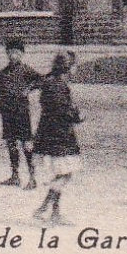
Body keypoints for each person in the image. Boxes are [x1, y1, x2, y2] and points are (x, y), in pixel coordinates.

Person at [31, 52, 82, 226]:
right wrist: (77, 116)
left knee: (62, 173)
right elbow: (62, 111)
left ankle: (55, 212)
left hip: (49, 134)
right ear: (68, 67)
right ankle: (44, 207)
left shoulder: (51, 82)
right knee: (66, 174)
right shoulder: (59, 86)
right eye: (74, 65)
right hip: (59, 135)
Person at [0, 37, 43, 189]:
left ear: (21, 54)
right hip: (7, 113)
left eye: (16, 53)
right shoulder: (4, 72)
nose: (13, 56)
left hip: (21, 113)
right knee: (11, 143)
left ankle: (32, 177)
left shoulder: (26, 70)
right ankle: (15, 175)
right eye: (10, 52)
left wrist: (28, 89)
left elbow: (40, 80)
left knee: (26, 144)